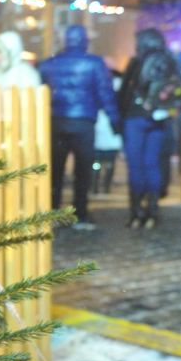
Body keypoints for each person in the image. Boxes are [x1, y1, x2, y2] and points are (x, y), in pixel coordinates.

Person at [37, 24, 119, 230]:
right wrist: (115, 120)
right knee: (83, 172)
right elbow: (105, 94)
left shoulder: (49, 64)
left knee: (55, 170)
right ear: (84, 41)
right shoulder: (95, 64)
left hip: (56, 121)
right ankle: (79, 214)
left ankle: (53, 212)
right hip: (83, 122)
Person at [118, 27, 181, 229]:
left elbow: (124, 92)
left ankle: (136, 212)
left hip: (135, 118)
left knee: (136, 166)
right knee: (152, 164)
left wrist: (119, 118)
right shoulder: (171, 61)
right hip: (159, 119)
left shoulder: (137, 62)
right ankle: (153, 211)